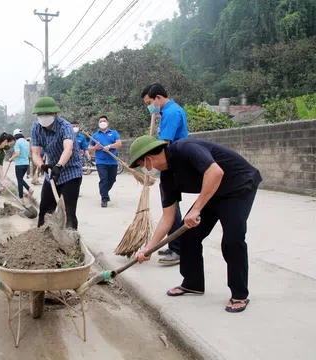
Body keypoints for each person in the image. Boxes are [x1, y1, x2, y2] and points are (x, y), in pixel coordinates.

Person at [129, 136, 262, 313]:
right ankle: (193, 283)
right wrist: (149, 248)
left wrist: (197, 208)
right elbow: (167, 218)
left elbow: (215, 172)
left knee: (232, 240)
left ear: (148, 159)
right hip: (214, 191)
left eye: (141, 164)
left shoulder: (186, 148)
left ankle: (239, 294)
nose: (144, 169)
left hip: (239, 184)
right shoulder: (168, 179)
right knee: (188, 235)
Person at [141, 83, 189, 266]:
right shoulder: (167, 112)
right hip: (170, 165)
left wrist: (151, 164)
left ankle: (177, 249)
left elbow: (165, 144)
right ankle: (173, 244)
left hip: (173, 166)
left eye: (149, 102)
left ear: (158, 98)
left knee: (171, 208)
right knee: (171, 208)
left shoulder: (170, 113)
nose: (149, 107)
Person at [31, 97, 83, 230]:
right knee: (45, 210)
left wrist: (59, 166)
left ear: (55, 114)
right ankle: (42, 237)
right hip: (51, 171)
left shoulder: (65, 127)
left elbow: (68, 148)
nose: (43, 117)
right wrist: (42, 166)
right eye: (40, 115)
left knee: (68, 211)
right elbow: (36, 153)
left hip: (70, 171)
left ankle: (71, 239)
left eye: (46, 114)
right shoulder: (36, 128)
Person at [88, 116, 122, 208]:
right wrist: (95, 147)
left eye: (104, 121)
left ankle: (105, 192)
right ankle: (104, 198)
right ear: (98, 124)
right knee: (104, 179)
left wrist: (109, 146)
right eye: (100, 121)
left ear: (107, 122)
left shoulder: (114, 133)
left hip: (112, 161)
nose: (102, 122)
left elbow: (119, 144)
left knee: (112, 179)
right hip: (101, 162)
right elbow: (89, 148)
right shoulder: (95, 135)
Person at [8, 129, 34, 202]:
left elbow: (17, 153)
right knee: (20, 179)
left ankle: (21, 198)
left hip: (19, 164)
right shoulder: (26, 142)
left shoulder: (18, 143)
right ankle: (30, 189)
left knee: (19, 181)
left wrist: (11, 159)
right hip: (26, 164)